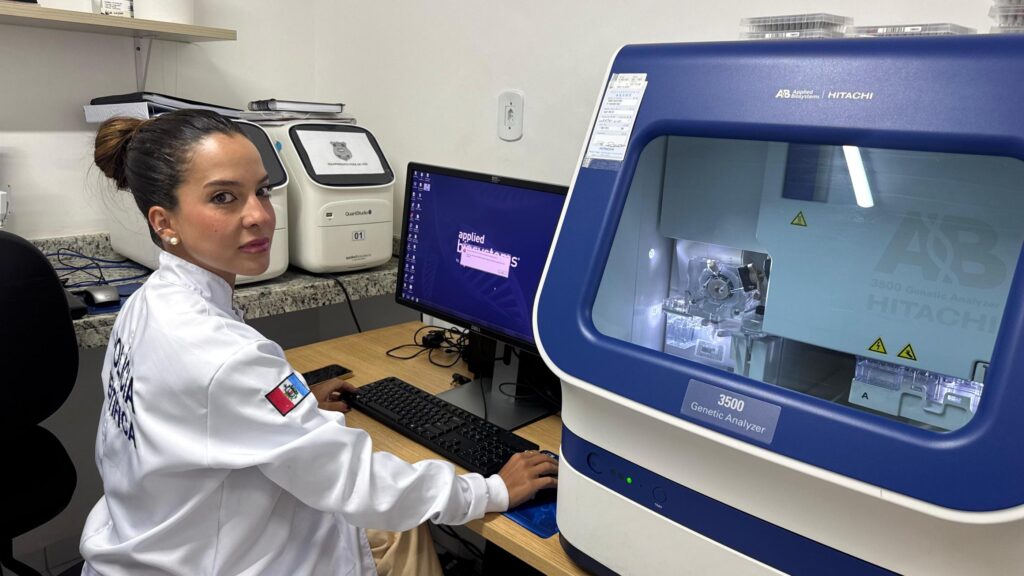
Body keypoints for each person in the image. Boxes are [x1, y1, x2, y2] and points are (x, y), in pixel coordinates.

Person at [80, 109, 558, 576]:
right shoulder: (225, 357)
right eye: (224, 197)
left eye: (262, 191)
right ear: (164, 223)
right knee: (401, 523)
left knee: (402, 531)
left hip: (153, 539)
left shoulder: (147, 304)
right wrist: (492, 490)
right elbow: (357, 484)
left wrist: (294, 406)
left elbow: (207, 411)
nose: (259, 215)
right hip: (208, 558)